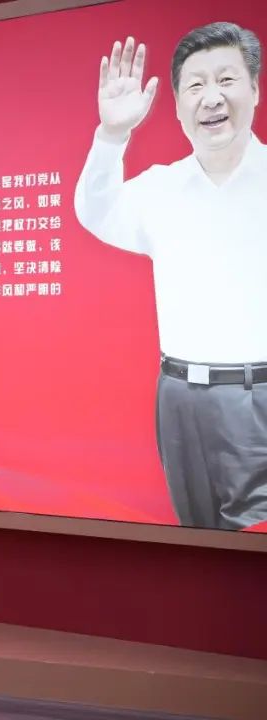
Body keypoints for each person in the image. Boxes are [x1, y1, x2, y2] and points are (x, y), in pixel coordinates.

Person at [74, 23, 267, 530]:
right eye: (195, 86)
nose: (211, 98)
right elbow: (95, 210)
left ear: (254, 89)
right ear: (178, 105)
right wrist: (112, 135)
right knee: (200, 540)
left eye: (226, 80)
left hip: (260, 395)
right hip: (179, 398)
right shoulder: (161, 188)